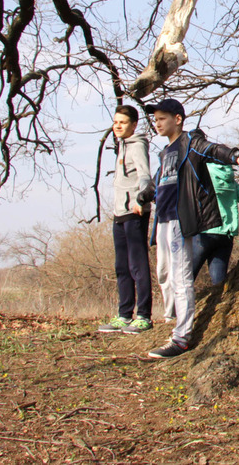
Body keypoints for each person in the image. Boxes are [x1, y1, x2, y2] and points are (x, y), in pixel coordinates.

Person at [141, 97, 239, 359]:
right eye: (155, 119)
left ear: (178, 119)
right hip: (163, 220)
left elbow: (214, 150)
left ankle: (181, 338)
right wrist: (143, 195)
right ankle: (174, 320)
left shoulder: (191, 143)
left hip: (183, 221)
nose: (156, 123)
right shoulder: (165, 152)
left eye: (161, 118)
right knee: (166, 275)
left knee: (182, 279)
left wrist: (237, 156)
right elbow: (159, 179)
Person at [98, 105, 155, 335]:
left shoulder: (137, 145)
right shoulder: (121, 145)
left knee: (137, 265)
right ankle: (123, 315)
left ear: (133, 125)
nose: (117, 126)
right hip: (119, 214)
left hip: (135, 212)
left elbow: (145, 176)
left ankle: (143, 317)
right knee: (121, 266)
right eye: (115, 122)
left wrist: (141, 200)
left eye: (122, 122)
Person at [191, 163, 239, 285]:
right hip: (225, 235)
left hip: (205, 232)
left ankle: (178, 304)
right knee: (219, 282)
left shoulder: (202, 176)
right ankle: (218, 301)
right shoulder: (230, 181)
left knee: (186, 276)